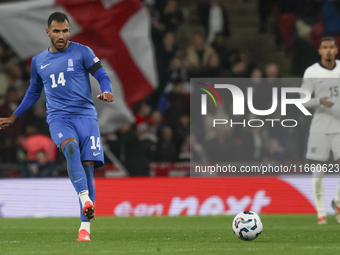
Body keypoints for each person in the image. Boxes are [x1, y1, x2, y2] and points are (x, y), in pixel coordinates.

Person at [0, 12, 114, 241]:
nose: (61, 35)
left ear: (68, 31)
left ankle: (85, 229)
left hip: (86, 117)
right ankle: (85, 200)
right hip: (59, 118)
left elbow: (101, 75)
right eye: (57, 31)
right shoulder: (38, 61)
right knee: (70, 148)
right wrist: (15, 116)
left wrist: (108, 89)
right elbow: (33, 92)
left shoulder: (83, 51)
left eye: (65, 31)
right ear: (48, 32)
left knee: (88, 166)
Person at [301, 37, 340, 225]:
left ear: (336, 49)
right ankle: (321, 213)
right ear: (319, 51)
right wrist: (319, 101)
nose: (328, 51)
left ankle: (338, 202)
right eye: (325, 48)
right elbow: (302, 100)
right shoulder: (312, 72)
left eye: (331, 47)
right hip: (320, 127)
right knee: (318, 172)